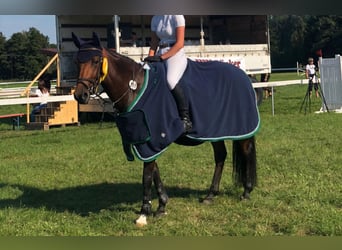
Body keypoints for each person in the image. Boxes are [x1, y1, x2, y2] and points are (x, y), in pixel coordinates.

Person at [144, 15, 192, 133]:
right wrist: (149, 58)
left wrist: (161, 57)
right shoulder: (155, 18)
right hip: (160, 52)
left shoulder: (177, 16)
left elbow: (180, 43)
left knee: (170, 80)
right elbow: (154, 43)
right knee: (146, 77)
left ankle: (185, 118)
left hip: (175, 53)